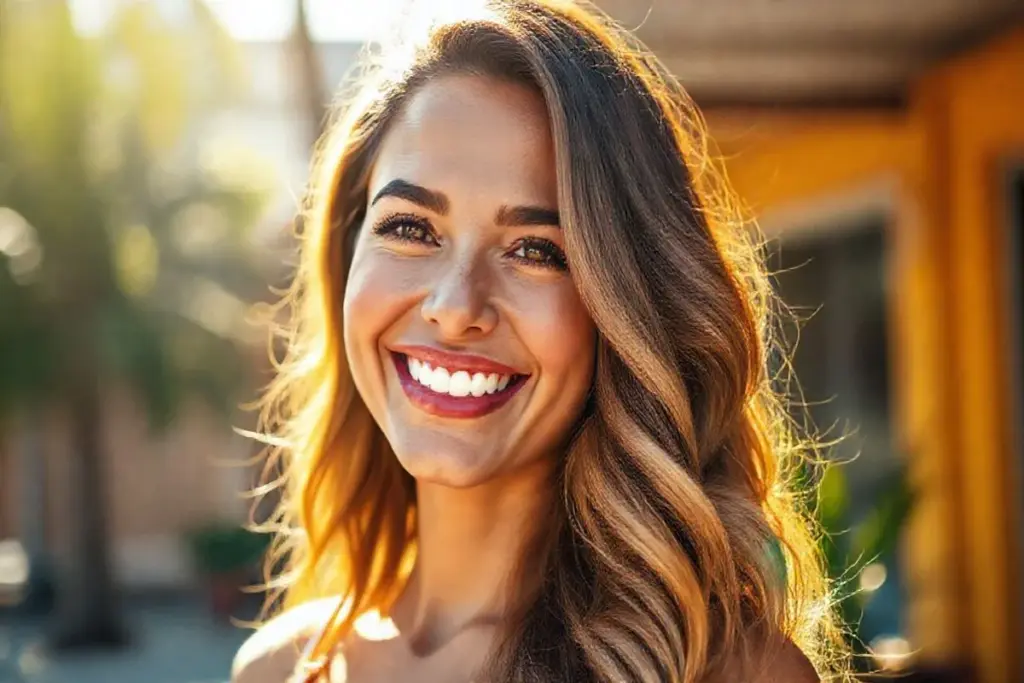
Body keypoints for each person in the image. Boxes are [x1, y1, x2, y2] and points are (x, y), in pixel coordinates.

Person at [232, 1, 845, 681]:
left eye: (535, 249)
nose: (455, 306)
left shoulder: (729, 672)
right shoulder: (276, 668)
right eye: (410, 228)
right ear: (347, 256)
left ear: (623, 308)